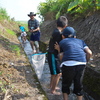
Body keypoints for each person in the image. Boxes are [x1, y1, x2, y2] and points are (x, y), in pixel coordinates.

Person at [54, 27, 92, 100]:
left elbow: (61, 57)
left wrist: (58, 50)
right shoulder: (81, 41)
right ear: (75, 36)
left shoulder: (62, 42)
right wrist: (85, 62)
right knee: (78, 84)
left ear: (63, 36)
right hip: (81, 63)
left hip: (68, 65)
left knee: (66, 84)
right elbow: (89, 53)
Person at [47, 16, 68, 95]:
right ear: (65, 26)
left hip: (52, 54)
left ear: (56, 24)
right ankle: (53, 90)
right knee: (58, 74)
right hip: (53, 55)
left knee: (54, 73)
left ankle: (51, 86)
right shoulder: (59, 34)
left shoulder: (55, 31)